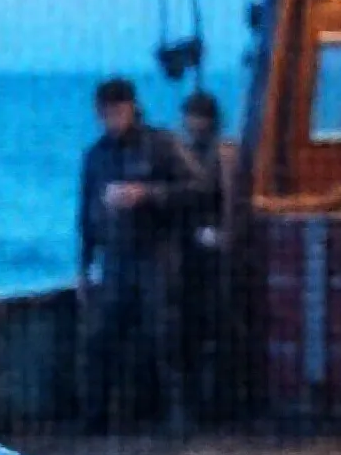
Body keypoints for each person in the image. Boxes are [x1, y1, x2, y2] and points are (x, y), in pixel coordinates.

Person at [77, 77, 198, 435]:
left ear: (132, 108)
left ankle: (178, 417)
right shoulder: (96, 156)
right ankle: (96, 418)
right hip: (116, 259)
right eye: (104, 113)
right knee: (102, 337)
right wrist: (84, 267)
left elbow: (197, 188)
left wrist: (147, 194)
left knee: (166, 336)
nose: (111, 119)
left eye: (117, 111)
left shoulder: (161, 145)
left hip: (156, 255)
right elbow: (85, 214)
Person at [177, 89, 243, 419]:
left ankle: (220, 402)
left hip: (214, 245)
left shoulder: (222, 152)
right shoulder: (186, 151)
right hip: (190, 247)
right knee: (194, 323)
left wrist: (226, 235)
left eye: (197, 116)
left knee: (218, 322)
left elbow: (229, 197)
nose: (192, 123)